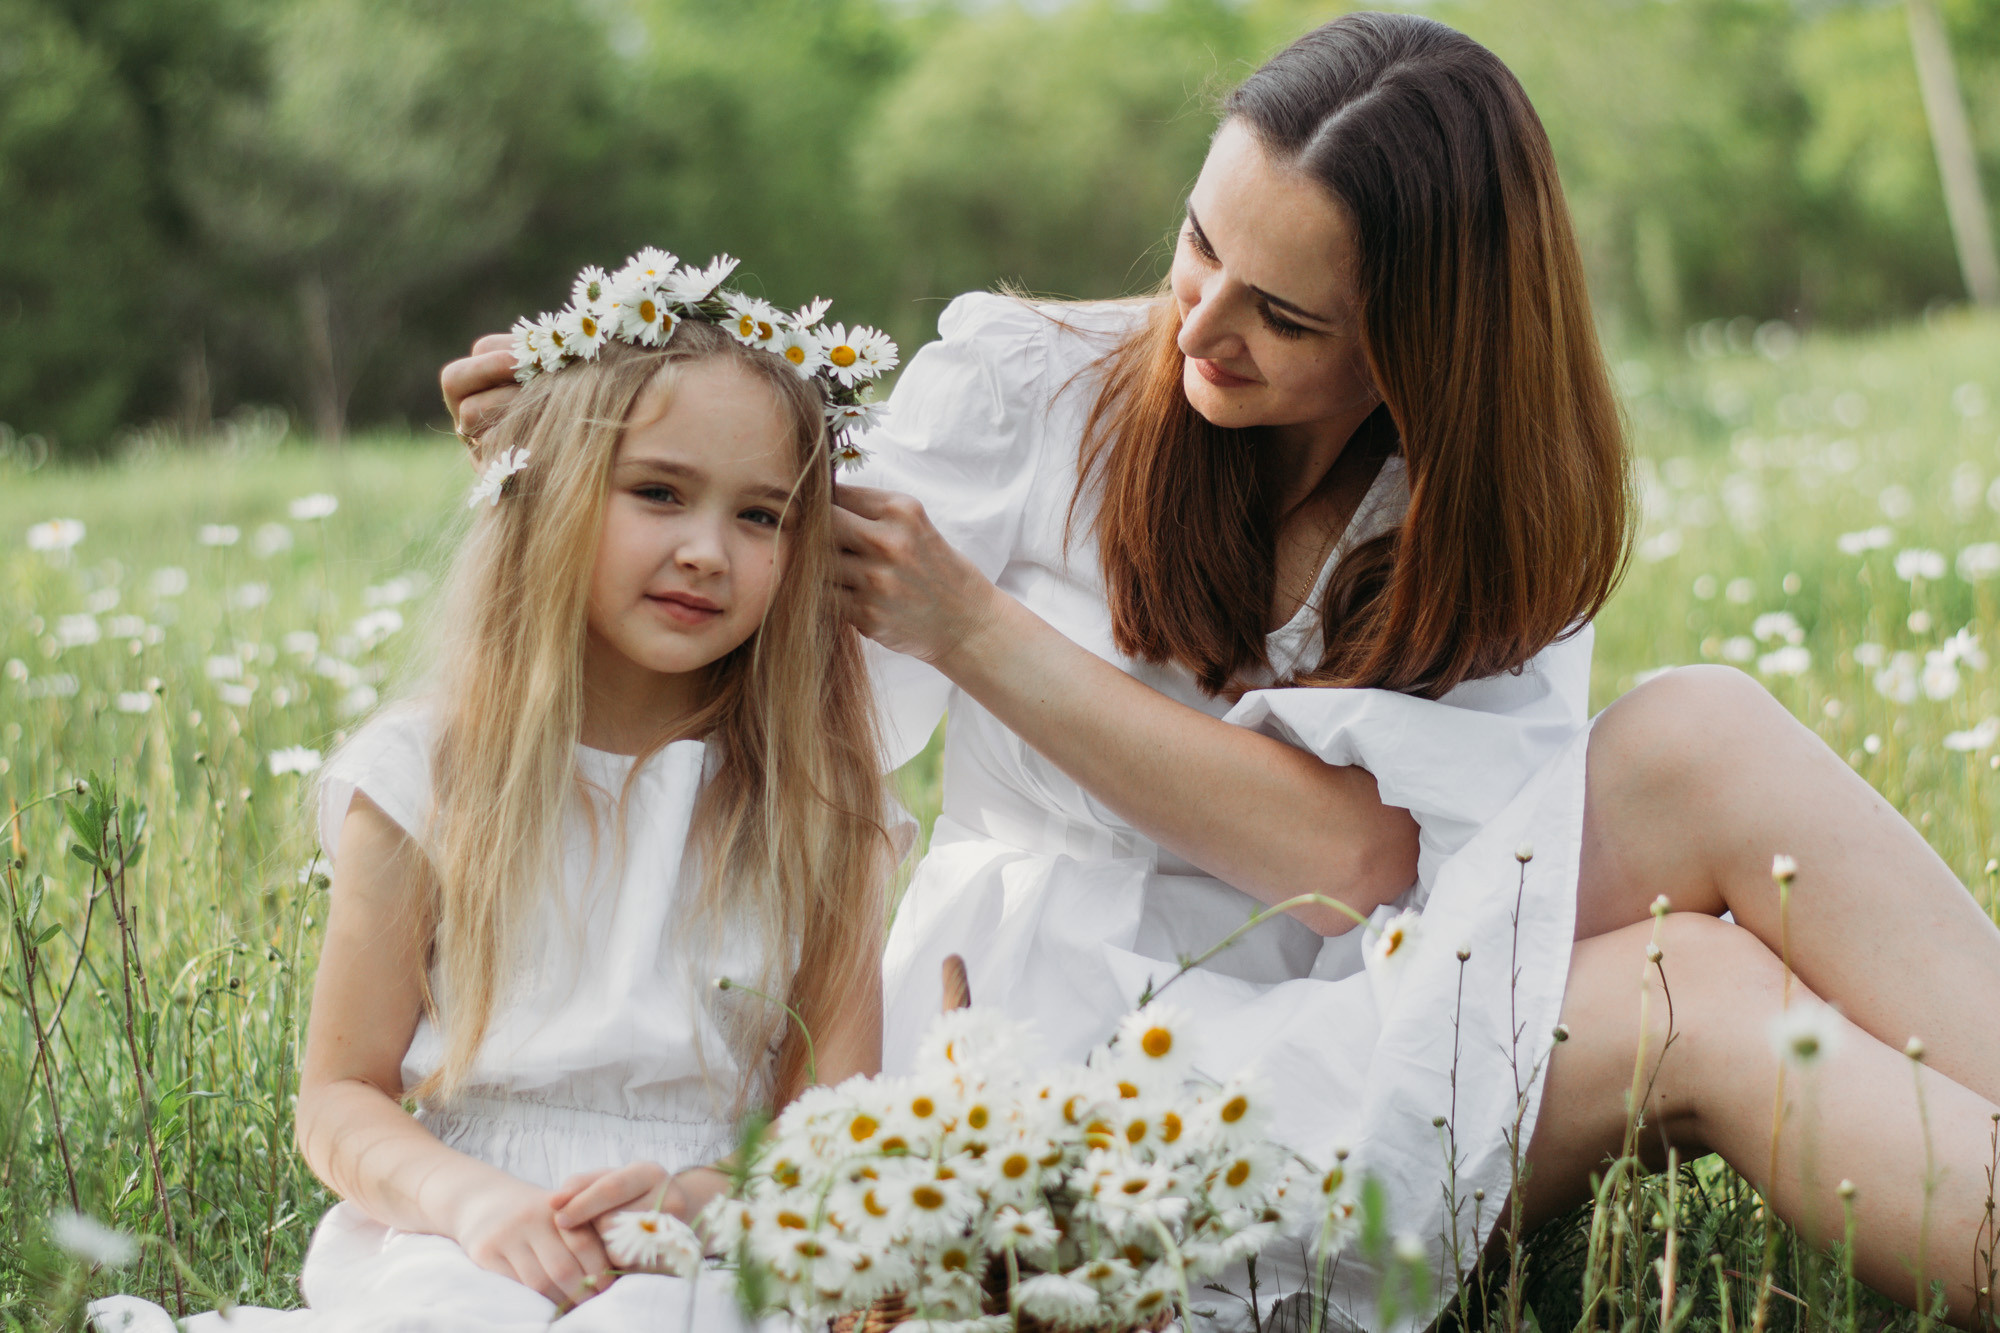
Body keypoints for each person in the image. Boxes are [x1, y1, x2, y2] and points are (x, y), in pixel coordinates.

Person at [445, 16, 2000, 1328]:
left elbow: (1362, 869)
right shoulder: (1022, 390)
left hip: (1362, 986)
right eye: (1201, 246)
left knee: (1702, 737)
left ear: (1421, 350)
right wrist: (577, 477)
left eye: (1287, 313)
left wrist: (981, 628)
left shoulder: (1475, 505)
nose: (1201, 324)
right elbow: (749, 702)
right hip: (1077, 1068)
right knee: (1698, 994)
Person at [95, 256, 899, 1333]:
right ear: (552, 494)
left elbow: (830, 1136)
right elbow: (339, 1098)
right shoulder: (431, 775)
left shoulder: (819, 815)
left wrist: (702, 1201)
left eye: (761, 516)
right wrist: (469, 1201)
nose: (706, 551)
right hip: (465, 1235)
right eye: (658, 491)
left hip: (707, 1243)